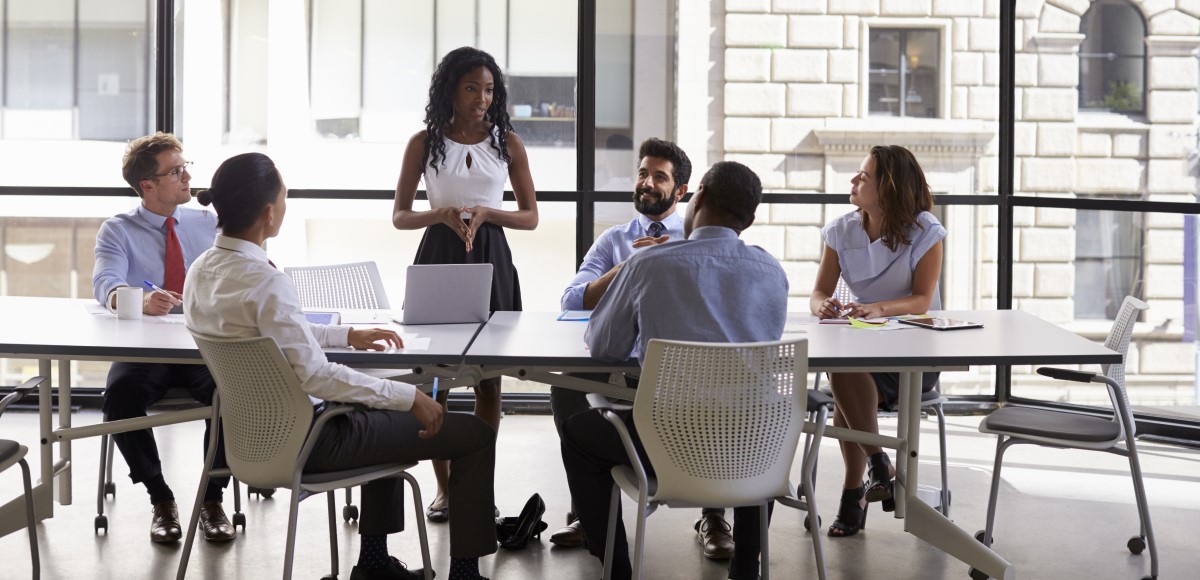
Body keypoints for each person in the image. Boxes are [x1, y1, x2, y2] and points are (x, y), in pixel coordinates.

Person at [185, 152, 497, 580]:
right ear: (269, 212)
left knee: (380, 408)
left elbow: (269, 339)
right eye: (285, 199)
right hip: (312, 442)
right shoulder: (265, 280)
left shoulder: (201, 271)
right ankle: (464, 574)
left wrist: (345, 335)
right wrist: (411, 397)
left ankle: (374, 564)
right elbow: (317, 376)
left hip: (251, 442)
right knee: (474, 434)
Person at [561, 161, 787, 580]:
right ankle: (745, 568)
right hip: (753, 449)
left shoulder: (648, 265)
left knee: (579, 435)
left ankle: (618, 569)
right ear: (750, 219)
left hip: (665, 442)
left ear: (696, 196)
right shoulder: (772, 271)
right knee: (759, 421)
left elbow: (604, 348)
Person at [550, 138, 735, 560]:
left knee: (716, 396)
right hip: (623, 367)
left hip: (689, 374)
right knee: (564, 389)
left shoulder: (698, 240)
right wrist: (629, 268)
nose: (646, 183)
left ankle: (713, 515)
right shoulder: (614, 239)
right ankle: (589, 509)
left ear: (682, 191)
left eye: (659, 176)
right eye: (642, 173)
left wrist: (668, 262)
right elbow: (573, 299)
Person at [392, 46, 537, 523]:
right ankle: (446, 488)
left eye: (489, 89)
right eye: (472, 87)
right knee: (436, 380)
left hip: (492, 257)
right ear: (451, 89)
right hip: (440, 255)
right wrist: (441, 214)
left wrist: (487, 212)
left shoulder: (507, 143)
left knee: (489, 381)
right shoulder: (423, 142)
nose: (482, 98)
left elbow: (531, 217)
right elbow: (399, 216)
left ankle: (479, 487)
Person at [92, 132, 234, 544]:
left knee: (236, 391)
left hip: (203, 345)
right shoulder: (118, 230)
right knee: (119, 397)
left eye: (186, 166)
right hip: (146, 350)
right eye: (176, 171)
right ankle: (161, 498)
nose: (188, 175)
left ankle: (212, 499)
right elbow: (106, 283)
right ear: (148, 186)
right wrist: (135, 297)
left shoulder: (206, 222)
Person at [809, 145, 945, 537]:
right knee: (845, 373)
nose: (853, 182)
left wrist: (879, 308)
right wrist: (824, 306)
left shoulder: (925, 232)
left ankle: (857, 489)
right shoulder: (840, 230)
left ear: (888, 188)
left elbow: (921, 299)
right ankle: (878, 464)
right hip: (863, 347)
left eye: (863, 177)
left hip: (914, 354)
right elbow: (818, 292)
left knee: (845, 399)